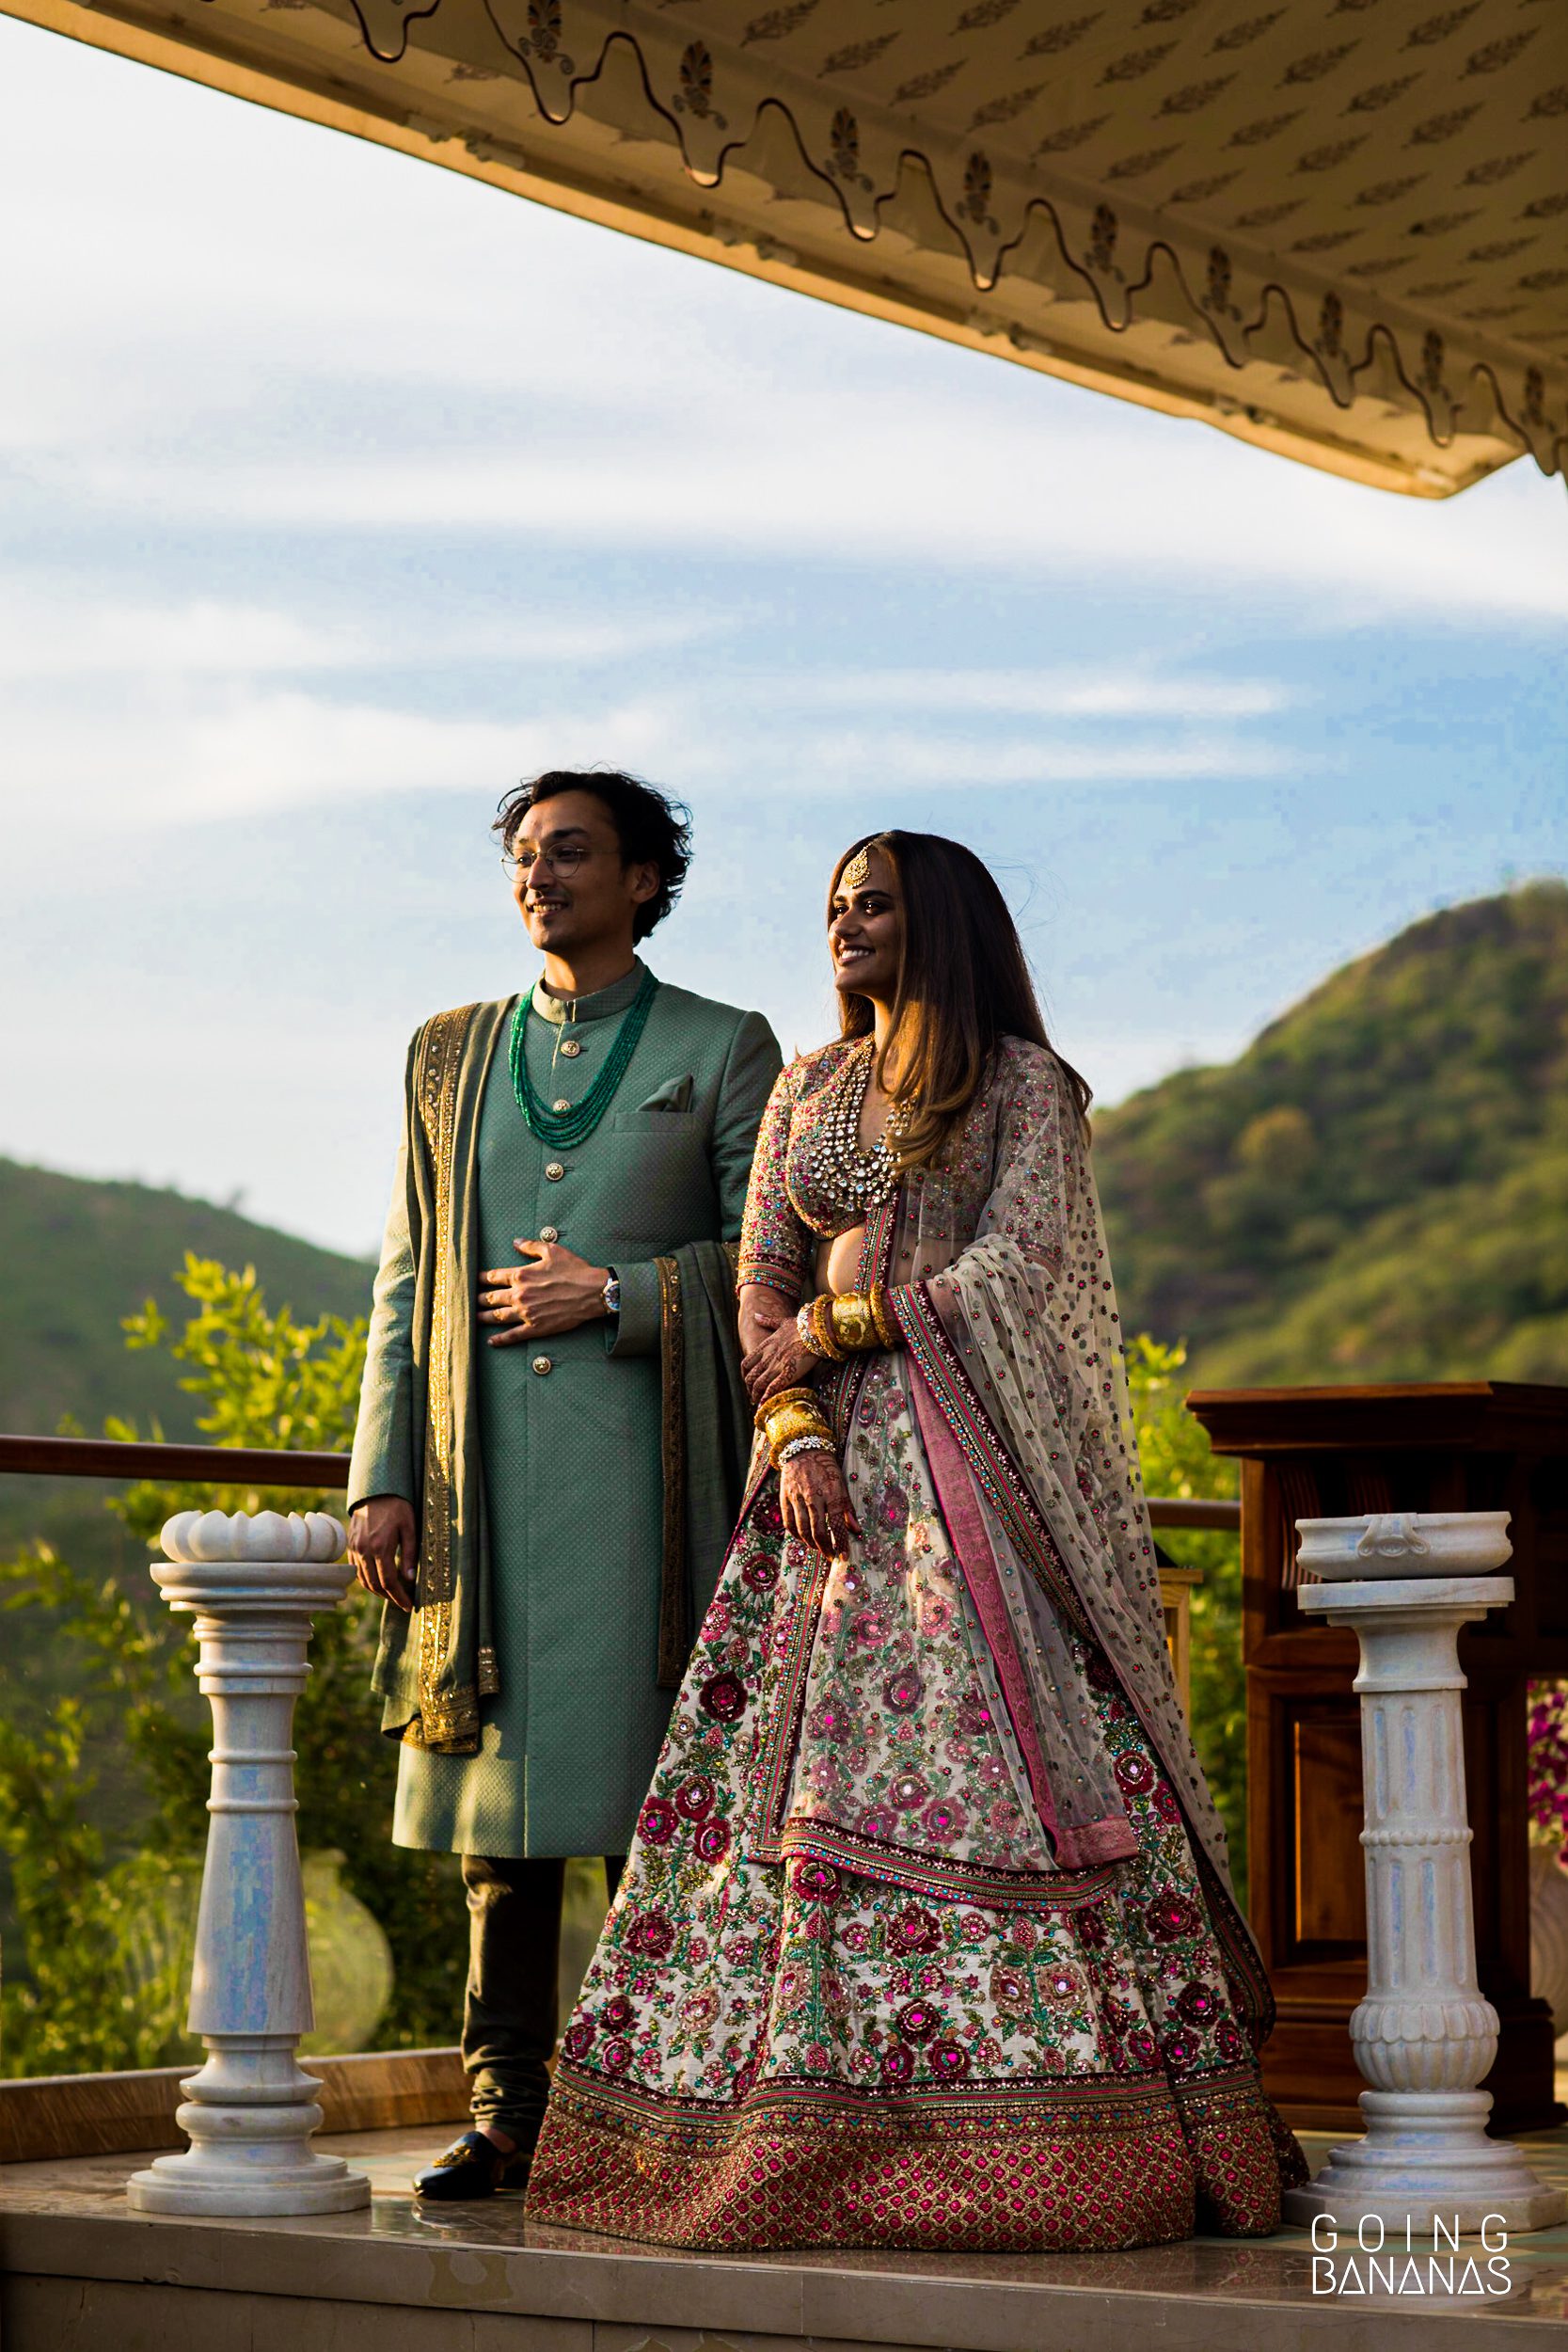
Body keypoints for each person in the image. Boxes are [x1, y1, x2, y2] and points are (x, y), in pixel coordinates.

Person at [525, 829, 1306, 2251]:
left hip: (976, 1490)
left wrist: (849, 1322)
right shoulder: (811, 1087)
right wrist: (800, 1433)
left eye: (872, 904)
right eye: (832, 907)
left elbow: (1022, 1267)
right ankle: (785, 2134)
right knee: (792, 1799)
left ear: (938, 922)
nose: (844, 926)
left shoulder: (1022, 1089)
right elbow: (760, 1277)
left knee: (1001, 1769)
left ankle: (1068, 2140)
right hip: (823, 1497)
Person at [346, 770, 781, 2201]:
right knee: (498, 1820)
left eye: (575, 852)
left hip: (652, 1490)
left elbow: (769, 1264)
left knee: (655, 1809)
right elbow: (409, 1275)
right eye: (526, 855)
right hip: (480, 1499)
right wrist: (383, 1477)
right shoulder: (446, 1056)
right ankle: (506, 2113)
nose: (542, 875)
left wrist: (624, 1292)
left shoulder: (726, 1047)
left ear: (648, 878)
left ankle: (667, 2110)